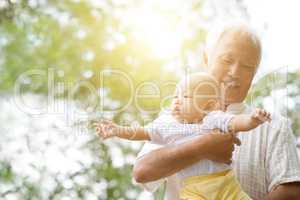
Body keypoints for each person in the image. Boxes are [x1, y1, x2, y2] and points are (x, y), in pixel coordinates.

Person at [133, 24, 300, 200]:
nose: (235, 72)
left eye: (247, 67)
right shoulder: (176, 117)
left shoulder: (274, 125)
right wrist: (202, 147)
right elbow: (142, 172)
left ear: (254, 74)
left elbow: (291, 191)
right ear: (206, 59)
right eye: (227, 60)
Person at [95, 73, 271, 199]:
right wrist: (117, 130)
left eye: (185, 96)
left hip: (227, 185)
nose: (177, 100)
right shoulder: (168, 125)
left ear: (208, 106)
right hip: (194, 189)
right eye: (175, 96)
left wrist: (253, 120)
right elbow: (142, 132)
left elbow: (236, 122)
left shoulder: (211, 119)